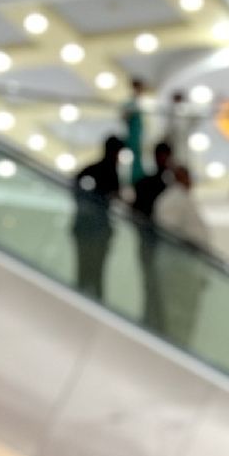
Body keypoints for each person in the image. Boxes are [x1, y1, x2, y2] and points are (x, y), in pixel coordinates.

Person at [154, 164, 211, 346]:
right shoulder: (173, 200)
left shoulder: (182, 199)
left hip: (186, 267)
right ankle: (177, 345)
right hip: (178, 267)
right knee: (177, 312)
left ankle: (181, 344)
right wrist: (192, 245)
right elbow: (169, 231)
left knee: (184, 312)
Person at [71, 135, 124, 300]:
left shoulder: (93, 169)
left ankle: (84, 300)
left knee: (85, 270)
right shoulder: (109, 171)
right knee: (95, 272)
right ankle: (92, 301)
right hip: (97, 230)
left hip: (86, 228)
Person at [131, 139, 173, 332]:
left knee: (160, 286)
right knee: (151, 284)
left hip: (161, 246)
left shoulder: (167, 186)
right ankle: (153, 322)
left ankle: (156, 322)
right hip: (150, 243)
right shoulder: (149, 185)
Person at [122, 78, 147, 186]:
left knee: (141, 156)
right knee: (135, 156)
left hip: (140, 134)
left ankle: (139, 177)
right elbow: (124, 116)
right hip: (133, 133)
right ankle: (135, 178)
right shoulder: (130, 103)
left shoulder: (142, 103)